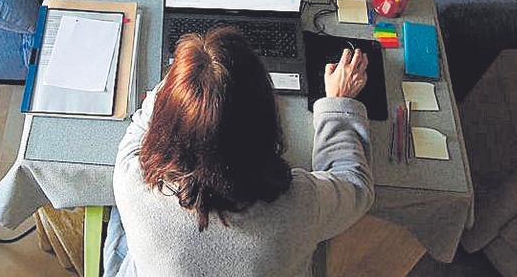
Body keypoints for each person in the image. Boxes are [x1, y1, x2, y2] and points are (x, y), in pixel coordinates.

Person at [106, 27, 373, 276]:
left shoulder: (132, 182)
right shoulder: (301, 205)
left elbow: (144, 123)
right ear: (267, 116)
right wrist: (337, 105)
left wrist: (186, 84)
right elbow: (354, 184)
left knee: (118, 221)